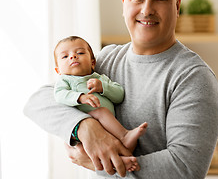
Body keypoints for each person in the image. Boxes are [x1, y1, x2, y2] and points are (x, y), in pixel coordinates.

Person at [24, 0, 218, 178]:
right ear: (124, 4)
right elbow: (38, 102)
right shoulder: (106, 59)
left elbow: (184, 169)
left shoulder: (193, 77)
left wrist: (100, 164)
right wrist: (86, 128)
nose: (147, 10)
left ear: (176, 6)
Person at [53, 36, 148, 172]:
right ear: (58, 71)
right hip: (83, 127)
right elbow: (59, 95)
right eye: (65, 56)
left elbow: (119, 95)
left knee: (110, 145)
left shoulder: (99, 78)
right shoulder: (65, 80)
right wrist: (80, 97)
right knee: (101, 112)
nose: (73, 57)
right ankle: (124, 136)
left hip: (108, 128)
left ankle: (122, 160)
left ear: (92, 63)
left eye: (80, 53)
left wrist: (103, 87)